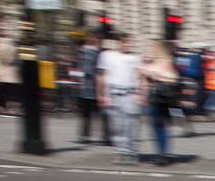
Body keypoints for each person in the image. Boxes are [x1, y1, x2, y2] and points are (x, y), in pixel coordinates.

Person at [96, 32, 144, 165]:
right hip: (113, 93)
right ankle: (120, 152)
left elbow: (139, 76)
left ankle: (131, 152)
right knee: (116, 126)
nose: (128, 44)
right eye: (125, 41)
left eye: (129, 42)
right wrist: (100, 94)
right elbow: (101, 75)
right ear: (119, 42)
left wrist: (140, 94)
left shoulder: (135, 57)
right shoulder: (106, 55)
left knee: (130, 125)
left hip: (129, 93)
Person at [138, 40, 180, 166]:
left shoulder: (166, 62)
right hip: (156, 98)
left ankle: (162, 154)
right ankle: (161, 153)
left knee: (160, 126)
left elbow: (173, 78)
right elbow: (144, 77)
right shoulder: (158, 62)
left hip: (161, 98)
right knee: (157, 126)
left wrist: (154, 74)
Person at [75, 32, 101, 143]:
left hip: (85, 87)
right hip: (95, 87)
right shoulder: (96, 53)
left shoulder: (82, 52)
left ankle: (84, 135)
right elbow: (94, 70)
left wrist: (79, 82)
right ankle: (96, 135)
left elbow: (80, 69)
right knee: (98, 113)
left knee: (86, 114)